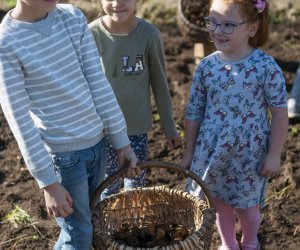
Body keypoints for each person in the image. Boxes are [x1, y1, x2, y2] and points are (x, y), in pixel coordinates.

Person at [0, 1, 140, 249]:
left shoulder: (72, 18)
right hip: (64, 159)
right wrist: (48, 182)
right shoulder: (7, 42)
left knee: (88, 227)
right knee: (78, 236)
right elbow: (19, 120)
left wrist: (121, 142)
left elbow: (97, 81)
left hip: (98, 143)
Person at [180, 0, 288, 249]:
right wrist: (189, 153)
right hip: (212, 150)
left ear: (252, 28)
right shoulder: (206, 67)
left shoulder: (265, 67)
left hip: (249, 154)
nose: (218, 30)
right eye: (213, 22)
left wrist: (274, 155)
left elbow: (280, 114)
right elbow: (194, 112)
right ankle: (228, 244)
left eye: (229, 25)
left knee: (248, 207)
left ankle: (250, 242)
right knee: (219, 204)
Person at [89, 0, 180, 198]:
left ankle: (134, 226)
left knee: (135, 183)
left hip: (136, 127)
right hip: (102, 129)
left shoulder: (149, 35)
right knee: (107, 186)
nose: (117, 3)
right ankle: (108, 227)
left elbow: (160, 84)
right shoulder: (91, 34)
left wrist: (169, 126)